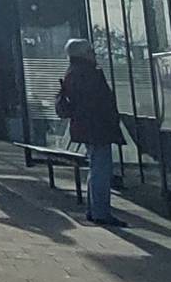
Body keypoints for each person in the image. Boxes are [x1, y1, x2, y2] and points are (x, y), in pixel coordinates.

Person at [52, 38, 126, 226]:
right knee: (101, 169)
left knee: (96, 167)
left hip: (85, 127)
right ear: (84, 53)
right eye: (90, 51)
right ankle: (101, 211)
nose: (94, 53)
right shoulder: (89, 73)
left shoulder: (72, 72)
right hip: (97, 127)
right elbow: (98, 102)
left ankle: (95, 209)